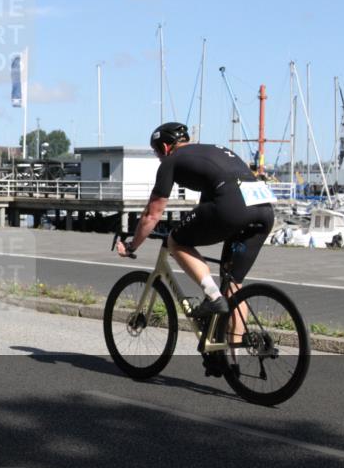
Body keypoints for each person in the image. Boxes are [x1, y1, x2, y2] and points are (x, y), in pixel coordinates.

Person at [116, 122, 275, 321]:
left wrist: (132, 246)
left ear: (165, 147)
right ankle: (231, 348)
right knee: (233, 288)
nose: (158, 157)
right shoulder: (212, 151)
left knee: (176, 241)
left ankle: (212, 295)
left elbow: (152, 214)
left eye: (156, 151)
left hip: (233, 205)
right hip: (264, 209)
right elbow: (208, 202)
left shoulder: (171, 160)